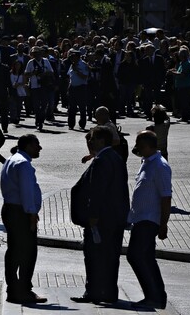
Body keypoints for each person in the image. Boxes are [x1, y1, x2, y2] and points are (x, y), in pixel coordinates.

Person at [70, 126, 129, 304]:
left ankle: (94, 292)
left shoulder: (102, 160)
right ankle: (109, 292)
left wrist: (93, 216)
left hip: (102, 219)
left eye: (93, 139)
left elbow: (97, 191)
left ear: (102, 141)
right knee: (111, 256)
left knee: (95, 256)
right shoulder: (116, 157)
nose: (90, 142)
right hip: (115, 217)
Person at [127, 131, 172, 310]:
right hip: (140, 219)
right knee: (145, 258)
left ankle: (154, 296)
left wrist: (163, 224)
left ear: (149, 146)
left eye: (140, 145)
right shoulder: (146, 163)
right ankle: (156, 296)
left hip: (149, 220)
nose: (137, 148)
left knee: (136, 256)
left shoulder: (160, 166)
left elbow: (166, 197)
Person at [0, 134, 47, 304]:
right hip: (20, 212)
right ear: (28, 146)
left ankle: (13, 289)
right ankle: (23, 290)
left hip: (11, 210)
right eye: (37, 145)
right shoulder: (23, 164)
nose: (39, 148)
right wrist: (32, 213)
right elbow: (26, 192)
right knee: (27, 252)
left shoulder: (12, 159)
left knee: (13, 251)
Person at [66, 48, 89, 130]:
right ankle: (71, 124)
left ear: (78, 57)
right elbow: (69, 75)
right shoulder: (72, 65)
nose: (72, 58)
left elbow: (85, 76)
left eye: (73, 57)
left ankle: (82, 124)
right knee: (71, 107)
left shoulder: (83, 65)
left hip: (81, 87)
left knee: (82, 107)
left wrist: (77, 71)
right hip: (73, 87)